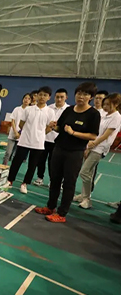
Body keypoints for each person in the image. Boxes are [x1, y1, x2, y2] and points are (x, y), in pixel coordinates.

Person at [35, 82, 101, 223]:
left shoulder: (93, 114)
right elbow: (60, 128)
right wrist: (54, 127)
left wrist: (73, 133)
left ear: (90, 97)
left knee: (69, 183)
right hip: (59, 148)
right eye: (79, 93)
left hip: (75, 153)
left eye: (85, 94)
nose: (81, 97)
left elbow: (93, 136)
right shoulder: (69, 110)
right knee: (55, 180)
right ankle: (50, 207)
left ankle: (62, 213)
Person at [73, 93, 121, 209]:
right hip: (92, 146)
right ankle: (84, 195)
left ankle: (87, 199)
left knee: (84, 172)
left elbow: (105, 135)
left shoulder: (116, 117)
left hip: (100, 148)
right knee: (89, 173)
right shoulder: (104, 114)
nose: (105, 107)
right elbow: (96, 131)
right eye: (104, 104)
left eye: (108, 104)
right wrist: (88, 145)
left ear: (116, 104)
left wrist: (93, 144)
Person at [5, 86, 55, 194]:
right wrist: (29, 132)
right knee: (16, 162)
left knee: (32, 165)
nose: (42, 97)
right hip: (24, 141)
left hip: (38, 143)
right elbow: (21, 124)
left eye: (45, 95)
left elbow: (49, 127)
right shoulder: (28, 109)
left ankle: (25, 184)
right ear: (36, 96)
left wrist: (40, 134)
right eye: (40, 94)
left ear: (49, 97)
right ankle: (10, 180)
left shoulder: (50, 112)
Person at [34, 89, 69, 186]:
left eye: (62, 97)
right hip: (44, 139)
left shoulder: (68, 110)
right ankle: (40, 177)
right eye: (57, 97)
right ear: (54, 97)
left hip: (58, 141)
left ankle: (53, 180)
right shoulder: (48, 108)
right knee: (41, 160)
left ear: (66, 97)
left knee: (54, 163)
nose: (59, 99)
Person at [3, 93, 31, 166]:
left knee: (16, 155)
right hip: (13, 134)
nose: (26, 100)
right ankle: (3, 166)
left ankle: (12, 168)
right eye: (25, 98)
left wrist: (20, 133)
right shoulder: (17, 109)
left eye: (28, 99)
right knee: (8, 153)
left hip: (22, 137)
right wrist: (15, 132)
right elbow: (13, 121)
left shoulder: (30, 111)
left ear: (30, 101)